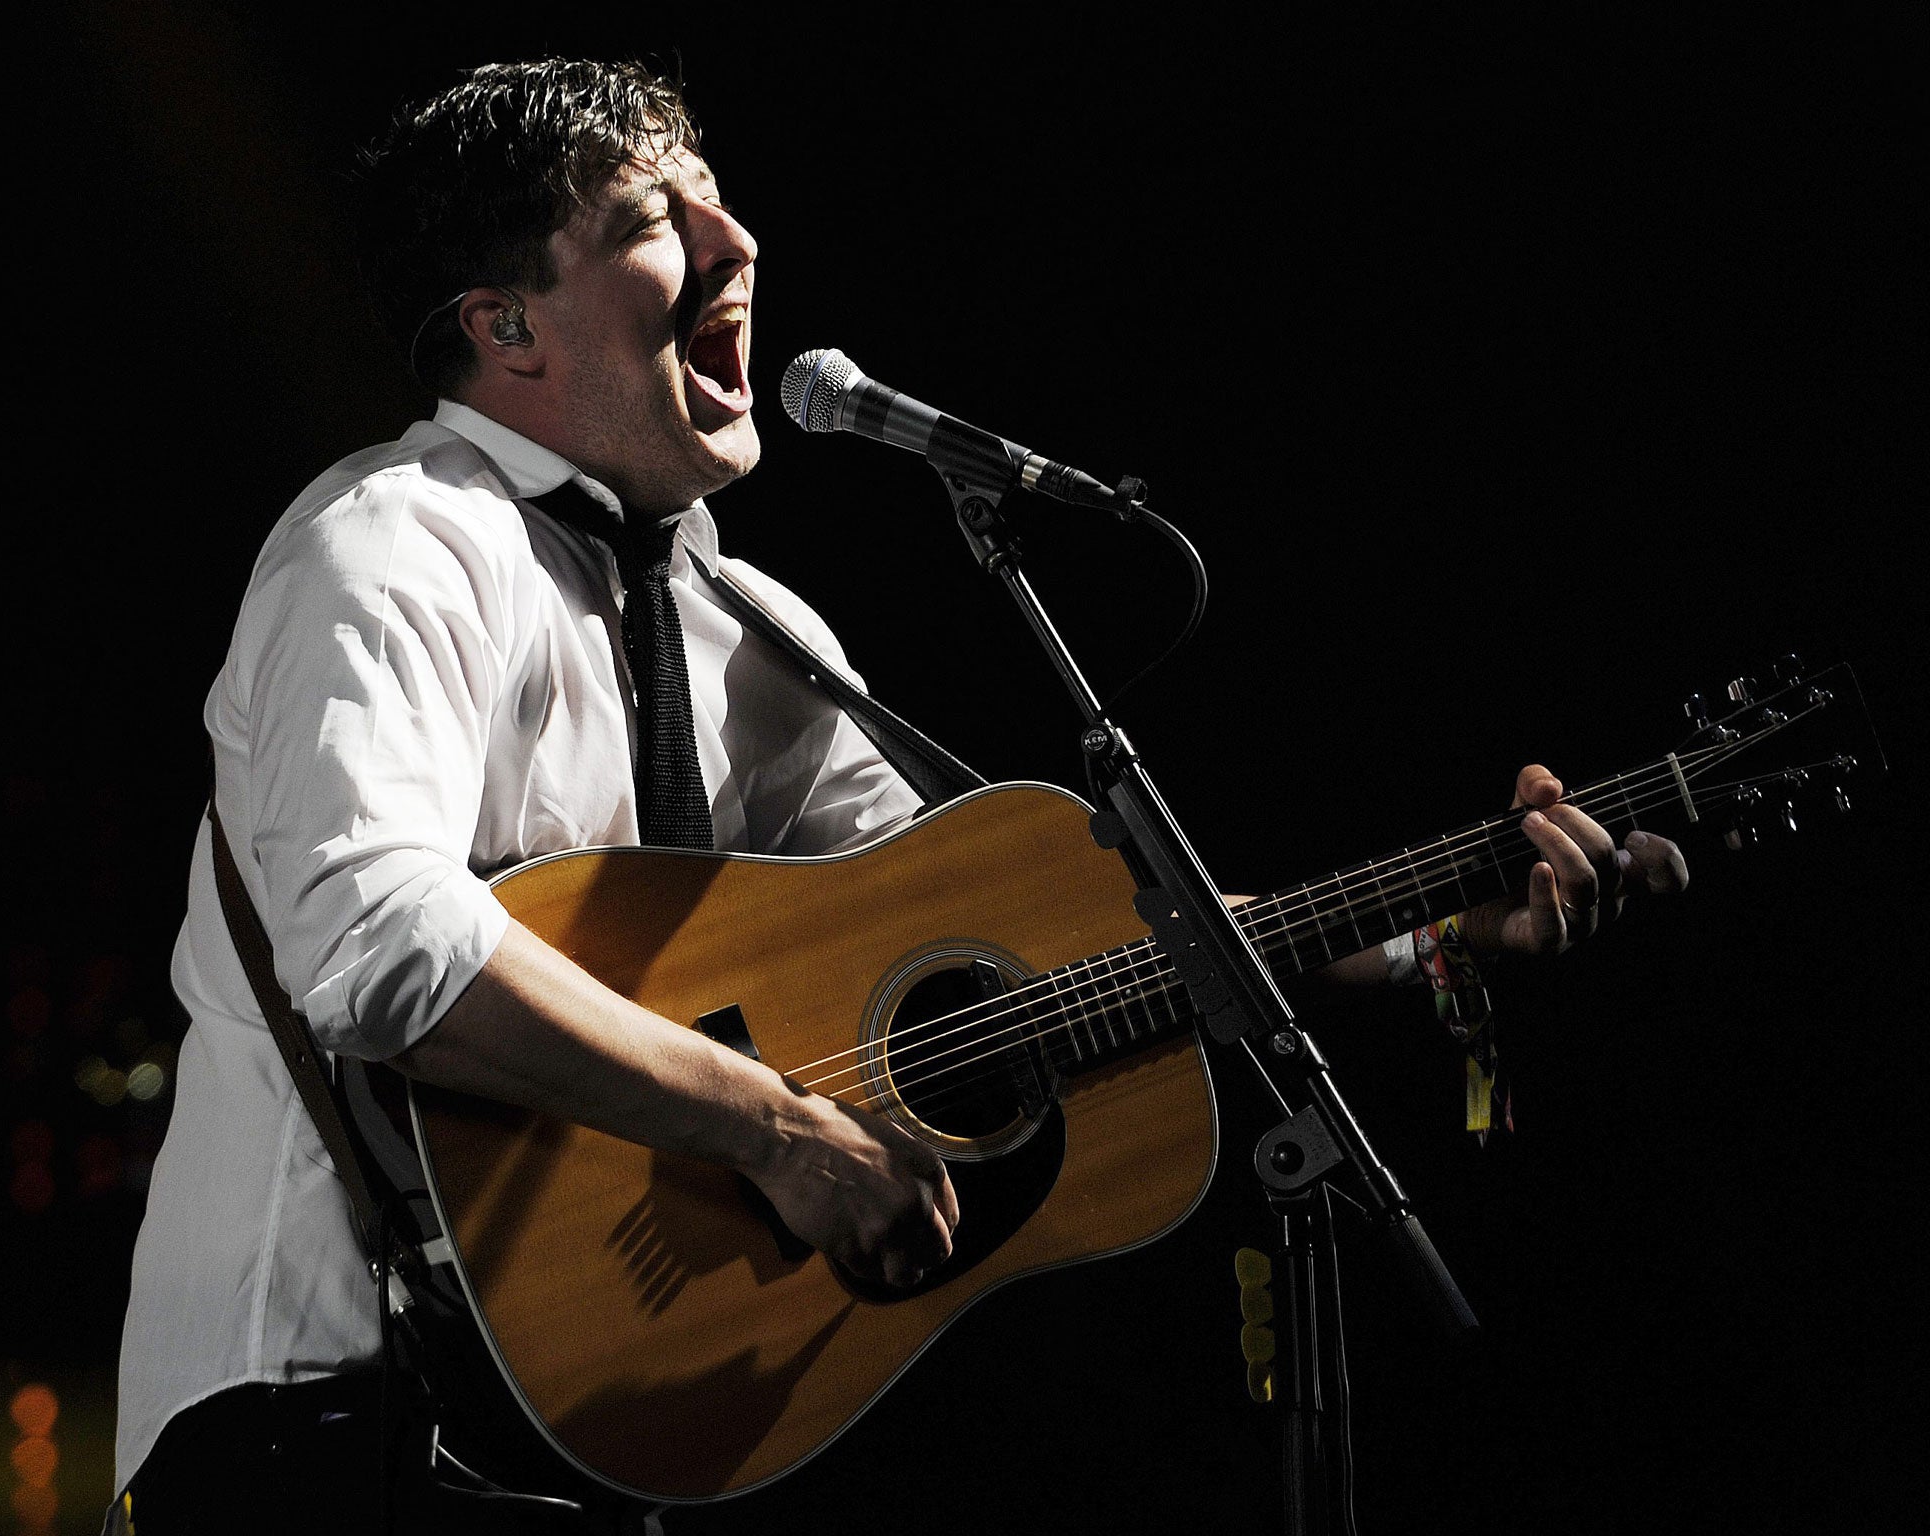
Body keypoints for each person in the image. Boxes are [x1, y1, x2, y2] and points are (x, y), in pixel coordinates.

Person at [107, 57, 1687, 1535]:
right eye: (656, 219)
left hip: (623, 1431)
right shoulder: (391, 542)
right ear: (507, 328)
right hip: (321, 1420)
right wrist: (785, 1133)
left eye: (719, 195)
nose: (737, 239)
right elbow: (376, 947)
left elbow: (1053, 940)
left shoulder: (753, 629)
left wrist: (1428, 926)